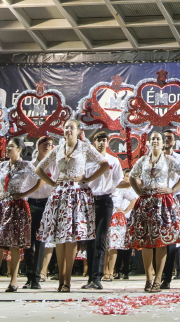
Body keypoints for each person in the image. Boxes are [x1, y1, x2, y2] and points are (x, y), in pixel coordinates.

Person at [34, 120, 111, 293]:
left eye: (72, 127)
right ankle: (61, 279)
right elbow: (39, 168)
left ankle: (67, 280)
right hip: (60, 194)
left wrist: (87, 179)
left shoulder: (84, 147)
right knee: (60, 238)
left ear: (78, 131)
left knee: (71, 237)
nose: (69, 130)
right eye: (66, 127)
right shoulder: (57, 149)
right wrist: (53, 182)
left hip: (77, 195)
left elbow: (105, 165)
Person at [127, 131, 180, 292]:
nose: (155, 141)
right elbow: (131, 177)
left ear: (163, 143)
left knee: (162, 241)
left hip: (163, 203)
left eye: (158, 139)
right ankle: (148, 277)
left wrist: (173, 189)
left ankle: (158, 278)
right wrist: (138, 190)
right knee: (146, 242)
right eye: (153, 138)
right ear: (148, 142)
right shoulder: (142, 161)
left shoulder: (169, 160)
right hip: (146, 202)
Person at [0, 139, 39, 293]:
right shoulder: (2, 165)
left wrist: (24, 194)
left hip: (17, 206)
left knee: (14, 244)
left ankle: (14, 281)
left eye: (10, 147)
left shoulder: (27, 165)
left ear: (19, 149)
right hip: (2, 206)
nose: (7, 149)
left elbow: (41, 180)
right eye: (7, 147)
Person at [80, 132, 124, 290]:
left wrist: (134, 185)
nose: (101, 143)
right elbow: (81, 180)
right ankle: (90, 278)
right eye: (98, 140)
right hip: (89, 201)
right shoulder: (86, 160)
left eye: (104, 140)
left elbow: (119, 181)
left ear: (107, 143)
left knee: (100, 239)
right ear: (93, 142)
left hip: (105, 201)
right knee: (89, 241)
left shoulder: (113, 161)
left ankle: (97, 277)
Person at [21, 136, 56, 289]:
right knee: (28, 242)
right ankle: (29, 276)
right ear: (38, 145)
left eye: (50, 144)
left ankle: (36, 277)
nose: (47, 146)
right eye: (44, 144)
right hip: (31, 203)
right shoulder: (29, 165)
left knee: (41, 242)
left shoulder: (54, 165)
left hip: (46, 204)